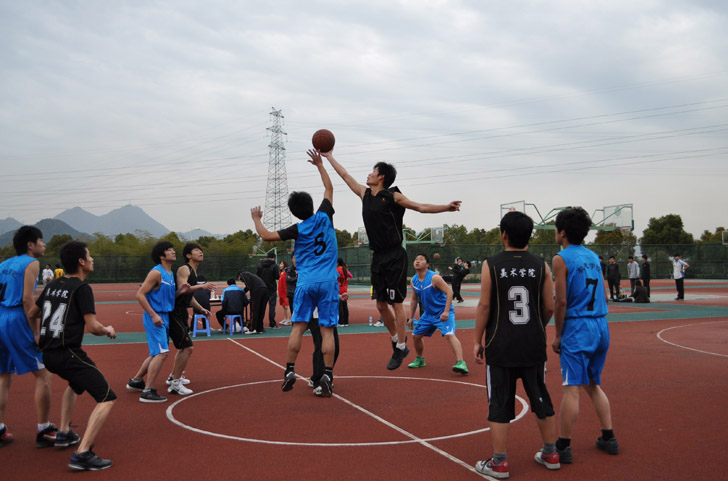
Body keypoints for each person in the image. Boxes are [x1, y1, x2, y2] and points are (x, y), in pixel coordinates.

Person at [322, 150, 461, 370]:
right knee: (380, 304)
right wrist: (329, 157)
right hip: (378, 256)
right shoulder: (364, 194)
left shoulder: (393, 196)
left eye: (372, 172)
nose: (368, 174)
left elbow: (420, 207)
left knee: (396, 303)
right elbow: (345, 176)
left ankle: (401, 346)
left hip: (395, 255)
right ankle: (398, 341)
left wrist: (446, 207)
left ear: (381, 177)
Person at [473, 212, 558, 478]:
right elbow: (549, 307)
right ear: (529, 235)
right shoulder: (541, 266)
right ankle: (551, 452)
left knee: (499, 402)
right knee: (540, 396)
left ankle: (500, 462)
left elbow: (484, 305)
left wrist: (477, 340)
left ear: (504, 234)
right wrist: (536, 327)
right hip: (533, 344)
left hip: (501, 345)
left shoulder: (491, 264)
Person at [252, 149, 339, 397]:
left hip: (306, 282)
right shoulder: (325, 216)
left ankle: (290, 370)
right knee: (327, 331)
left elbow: (266, 235)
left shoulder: (298, 229)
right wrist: (320, 165)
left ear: (294, 212)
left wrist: (256, 218)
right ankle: (327, 374)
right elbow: (329, 188)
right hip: (328, 282)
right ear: (312, 205)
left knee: (298, 328)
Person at [29, 241, 116, 470]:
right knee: (107, 396)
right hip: (67, 352)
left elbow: (32, 312)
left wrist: (37, 335)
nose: (92, 259)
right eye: (89, 256)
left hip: (48, 354)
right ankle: (83, 453)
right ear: (81, 261)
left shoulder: (52, 285)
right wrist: (107, 329)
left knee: (75, 384)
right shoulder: (82, 288)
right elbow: (93, 327)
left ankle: (64, 432)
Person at [552, 207, 618, 465]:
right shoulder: (593, 256)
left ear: (562, 232)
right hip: (600, 324)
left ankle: (563, 445)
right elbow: (604, 294)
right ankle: (609, 437)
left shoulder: (561, 258)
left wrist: (558, 335)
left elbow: (561, 302)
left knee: (571, 388)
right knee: (593, 384)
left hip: (578, 327)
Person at [0, 226, 57, 448]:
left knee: (4, 376)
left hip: (1, 316)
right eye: (41, 240)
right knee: (43, 374)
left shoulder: (4, 264)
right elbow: (27, 300)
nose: (44, 244)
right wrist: (36, 332)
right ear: (30, 245)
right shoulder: (31, 263)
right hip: (16, 319)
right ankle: (44, 429)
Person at [126, 241, 188, 403]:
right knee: (162, 353)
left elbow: (166, 298)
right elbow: (140, 294)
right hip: (156, 317)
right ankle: (148, 391)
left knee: (156, 353)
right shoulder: (156, 273)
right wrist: (153, 315)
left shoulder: (170, 274)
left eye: (173, 249)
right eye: (169, 250)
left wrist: (180, 292)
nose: (173, 252)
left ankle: (136, 381)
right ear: (161, 256)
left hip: (164, 316)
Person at [166, 243, 214, 395]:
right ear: (188, 255)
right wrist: (202, 286)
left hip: (181, 312)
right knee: (188, 348)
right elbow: (183, 288)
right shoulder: (184, 269)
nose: (201, 253)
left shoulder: (193, 271)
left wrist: (201, 308)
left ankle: (174, 376)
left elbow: (189, 295)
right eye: (196, 250)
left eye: (201, 250)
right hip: (174, 311)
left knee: (183, 347)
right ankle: (175, 384)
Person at [407, 254, 468, 374]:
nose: (417, 261)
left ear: (427, 265)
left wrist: (446, 311)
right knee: (416, 336)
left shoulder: (434, 278)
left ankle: (461, 363)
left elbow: (449, 292)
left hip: (442, 312)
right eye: (416, 259)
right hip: (428, 314)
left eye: (421, 259)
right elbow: (414, 299)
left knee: (449, 335)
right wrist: (411, 317)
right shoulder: (413, 280)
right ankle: (420, 359)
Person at [257, 251, 280, 329]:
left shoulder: (260, 265)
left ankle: (260, 323)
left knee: (261, 306)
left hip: (262, 287)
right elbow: (277, 277)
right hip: (271, 288)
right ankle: (272, 323)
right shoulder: (275, 266)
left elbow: (257, 276)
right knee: (272, 307)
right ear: (274, 258)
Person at [337, 258, 353, 327]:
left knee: (339, 306)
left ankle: (341, 322)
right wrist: (345, 279)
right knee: (345, 306)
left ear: (337, 263)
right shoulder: (345, 270)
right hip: (344, 289)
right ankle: (346, 322)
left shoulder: (337, 270)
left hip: (338, 289)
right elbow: (351, 276)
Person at [278, 261, 292, 326]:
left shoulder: (287, 273)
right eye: (280, 264)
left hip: (285, 291)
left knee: (287, 306)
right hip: (281, 291)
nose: (280, 265)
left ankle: (289, 320)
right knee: (283, 306)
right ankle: (285, 318)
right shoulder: (280, 273)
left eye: (281, 264)